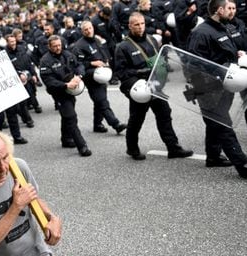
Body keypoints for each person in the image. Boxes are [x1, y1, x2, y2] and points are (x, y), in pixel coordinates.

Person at [115, 12, 193, 160]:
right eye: (136, 24)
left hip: (155, 84)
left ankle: (173, 148)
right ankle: (132, 149)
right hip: (139, 88)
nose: (140, 27)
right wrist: (140, 71)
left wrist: (163, 67)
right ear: (130, 26)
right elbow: (121, 72)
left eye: (142, 23)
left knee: (165, 115)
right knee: (136, 119)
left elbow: (159, 57)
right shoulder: (123, 47)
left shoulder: (151, 39)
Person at [186, 0, 247, 178]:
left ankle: (213, 157)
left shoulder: (224, 28)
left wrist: (237, 55)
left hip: (224, 84)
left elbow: (222, 53)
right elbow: (193, 63)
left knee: (215, 122)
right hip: (206, 86)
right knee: (223, 125)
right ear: (219, 10)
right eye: (228, 9)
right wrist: (219, 71)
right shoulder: (201, 32)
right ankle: (242, 164)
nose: (232, 12)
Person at [40, 35, 92, 157]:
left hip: (72, 90)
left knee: (66, 116)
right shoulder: (45, 61)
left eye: (59, 45)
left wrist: (79, 76)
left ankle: (66, 139)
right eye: (55, 46)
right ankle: (82, 146)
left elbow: (79, 65)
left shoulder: (67, 54)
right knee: (71, 117)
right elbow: (49, 81)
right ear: (49, 46)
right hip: (59, 92)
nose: (58, 48)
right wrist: (65, 85)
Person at [73, 20, 127, 134]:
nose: (88, 31)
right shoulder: (79, 46)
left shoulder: (97, 40)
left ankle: (97, 124)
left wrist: (106, 61)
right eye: (85, 29)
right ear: (82, 31)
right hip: (90, 76)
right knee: (102, 101)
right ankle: (115, 124)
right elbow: (78, 64)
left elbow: (103, 53)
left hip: (102, 74)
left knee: (99, 101)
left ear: (93, 28)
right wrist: (92, 63)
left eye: (90, 28)